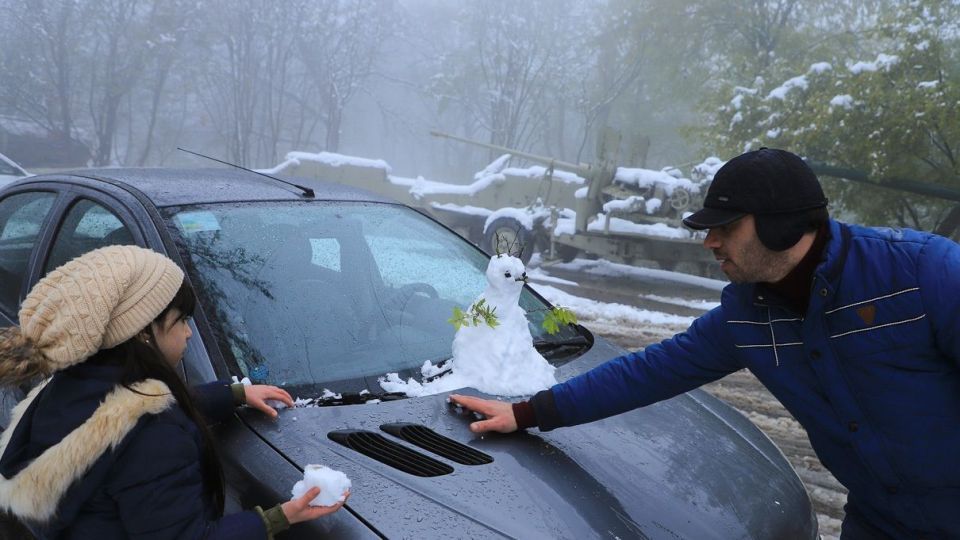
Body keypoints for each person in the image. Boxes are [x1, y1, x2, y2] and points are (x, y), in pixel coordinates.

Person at [451, 147, 960, 539]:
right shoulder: (748, 315)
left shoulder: (922, 274)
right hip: (878, 523)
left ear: (783, 224)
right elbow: (647, 372)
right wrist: (526, 413)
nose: (709, 241)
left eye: (726, 226)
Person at [0, 245, 347, 539]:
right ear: (142, 333)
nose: (189, 333)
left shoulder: (73, 385)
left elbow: (125, 415)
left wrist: (233, 395)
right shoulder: (155, 437)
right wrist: (277, 518)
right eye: (181, 320)